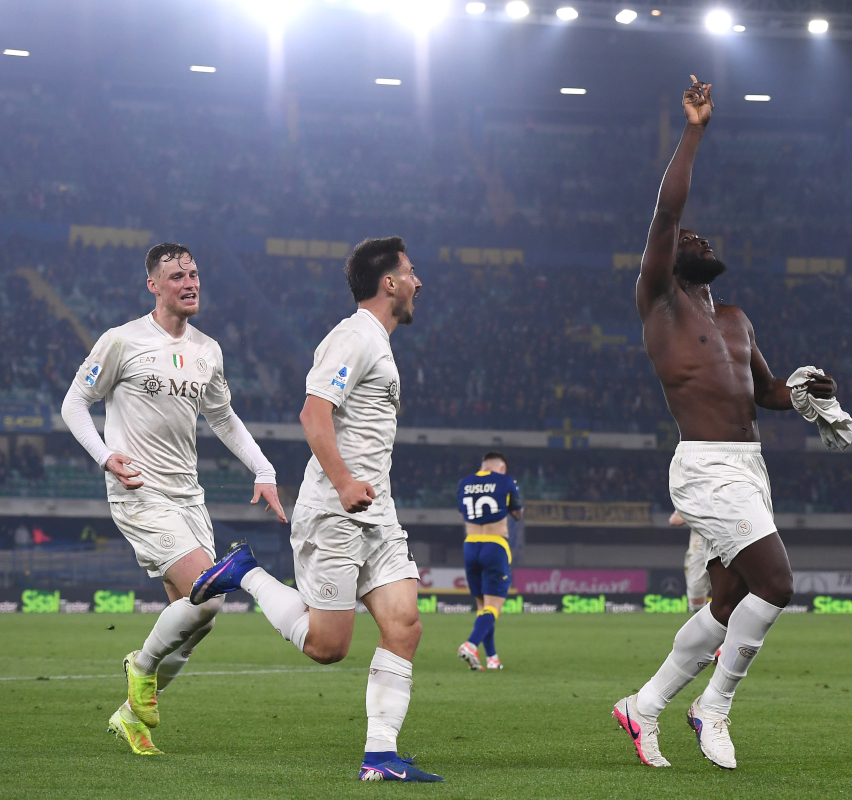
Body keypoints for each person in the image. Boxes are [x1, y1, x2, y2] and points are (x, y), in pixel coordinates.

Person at [611, 76, 850, 771]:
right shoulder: (660, 303)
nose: (693, 234)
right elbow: (666, 211)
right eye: (685, 235)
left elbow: (768, 391)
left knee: (726, 600)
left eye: (699, 234)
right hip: (707, 465)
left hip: (749, 466)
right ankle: (711, 707)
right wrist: (695, 130)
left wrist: (809, 391)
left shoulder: (736, 319)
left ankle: (644, 706)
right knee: (777, 584)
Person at [191, 237, 443, 782]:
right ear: (390, 283)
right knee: (328, 647)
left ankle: (380, 758)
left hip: (376, 511)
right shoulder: (354, 337)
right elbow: (313, 413)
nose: (419, 282)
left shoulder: (376, 341)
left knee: (405, 624)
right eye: (411, 272)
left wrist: (364, 487)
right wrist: (346, 480)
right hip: (335, 509)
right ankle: (247, 573)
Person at [60, 242, 286, 756]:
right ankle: (139, 668)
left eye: (195, 273)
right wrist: (104, 456)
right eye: (178, 275)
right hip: (139, 489)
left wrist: (264, 468)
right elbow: (75, 402)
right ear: (153, 286)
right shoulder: (122, 341)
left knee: (202, 616)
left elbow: (224, 419)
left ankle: (130, 713)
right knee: (205, 589)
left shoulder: (209, 350)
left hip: (190, 497)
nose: (190, 282)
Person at [455, 451, 523, 671]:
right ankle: (471, 644)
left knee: (483, 606)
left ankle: (492, 658)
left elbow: (463, 514)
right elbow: (518, 513)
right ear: (501, 467)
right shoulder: (506, 480)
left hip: (470, 543)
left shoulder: (464, 483)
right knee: (495, 606)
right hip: (495, 545)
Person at [671, 510, 711, 614]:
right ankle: (699, 627)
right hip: (699, 551)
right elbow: (674, 520)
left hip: (726, 548)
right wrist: (700, 514)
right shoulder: (695, 497)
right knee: (696, 595)